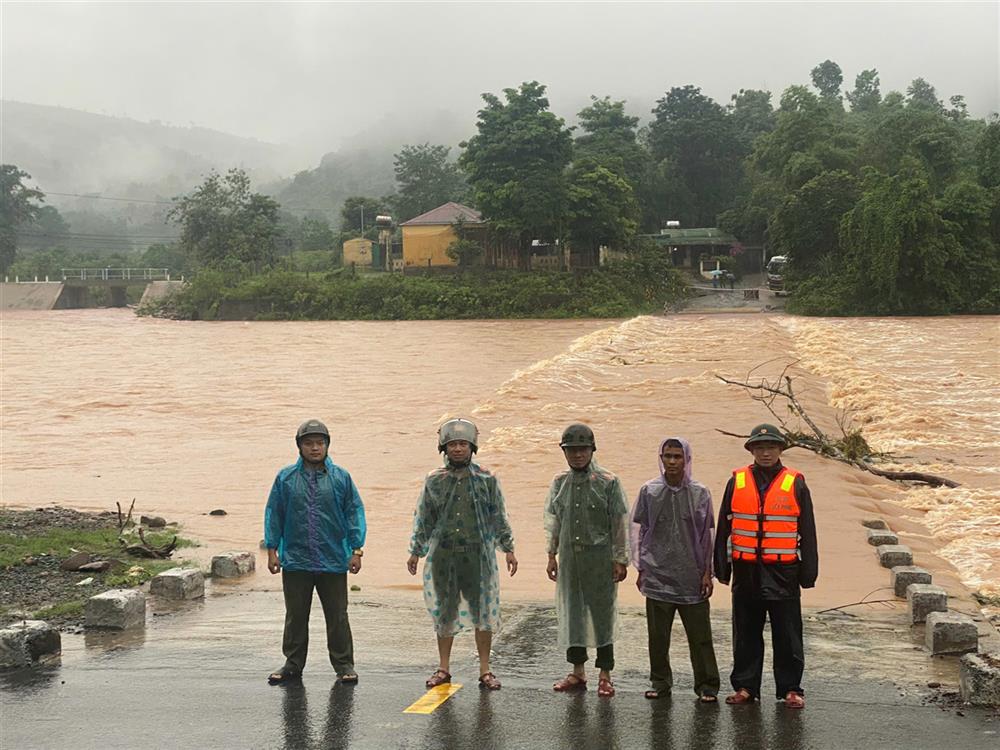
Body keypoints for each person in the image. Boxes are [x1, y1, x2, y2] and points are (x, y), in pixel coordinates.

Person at [407, 418, 517, 691]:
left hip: (479, 556)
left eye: (463, 444)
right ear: (444, 447)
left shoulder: (487, 479)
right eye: (453, 444)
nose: (458, 449)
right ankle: (444, 667)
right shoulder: (435, 480)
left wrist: (509, 549)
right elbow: (424, 518)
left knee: (484, 612)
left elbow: (498, 516)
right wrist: (415, 551)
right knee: (446, 611)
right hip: (444, 555)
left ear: (472, 447)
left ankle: (485, 670)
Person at [713, 423, 818, 709]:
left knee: (788, 636)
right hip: (746, 573)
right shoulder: (737, 481)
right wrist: (721, 569)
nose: (765, 452)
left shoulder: (795, 482)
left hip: (783, 574)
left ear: (780, 449)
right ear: (751, 450)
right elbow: (724, 527)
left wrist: (809, 573)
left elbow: (807, 531)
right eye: (759, 447)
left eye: (771, 447)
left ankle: (791, 689)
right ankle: (746, 686)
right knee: (745, 634)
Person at [264, 419, 366, 685]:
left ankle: (344, 664)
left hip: (333, 558)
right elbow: (274, 513)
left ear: (327, 445)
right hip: (296, 560)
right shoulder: (285, 478)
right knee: (296, 615)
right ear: (299, 447)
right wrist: (272, 549)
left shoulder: (341, 478)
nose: (315, 448)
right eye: (309, 443)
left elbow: (354, 512)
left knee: (337, 615)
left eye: (320, 443)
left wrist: (356, 550)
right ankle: (293, 663)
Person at [630, 437, 720, 702]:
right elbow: (639, 532)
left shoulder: (700, 493)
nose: (671, 462)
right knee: (658, 637)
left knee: (700, 637)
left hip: (691, 576)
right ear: (661, 458)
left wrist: (707, 572)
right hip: (658, 574)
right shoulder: (649, 491)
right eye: (667, 456)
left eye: (677, 457)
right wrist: (641, 567)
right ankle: (660, 683)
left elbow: (708, 536)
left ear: (687, 459)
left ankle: (707, 685)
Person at [545, 424, 629, 698]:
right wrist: (551, 554)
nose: (577, 455)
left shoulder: (608, 481)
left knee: (602, 615)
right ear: (565, 453)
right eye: (571, 450)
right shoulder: (560, 482)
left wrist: (620, 559)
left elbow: (619, 522)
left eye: (582, 449)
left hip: (600, 558)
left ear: (592, 450)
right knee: (573, 614)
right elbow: (553, 521)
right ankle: (577, 671)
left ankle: (605, 674)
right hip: (570, 558)